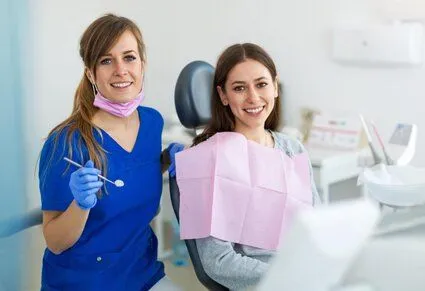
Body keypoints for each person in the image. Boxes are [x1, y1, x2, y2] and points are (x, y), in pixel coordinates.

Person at [38, 14, 180, 291]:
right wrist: (80, 205)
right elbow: (55, 242)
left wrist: (166, 159)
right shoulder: (65, 143)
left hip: (142, 272)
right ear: (91, 73)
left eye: (129, 57)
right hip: (84, 282)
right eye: (106, 60)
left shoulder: (152, 122)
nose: (120, 70)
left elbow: (132, 171)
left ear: (143, 64)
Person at [168, 43, 321, 291]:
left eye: (261, 84)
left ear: (275, 87)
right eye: (239, 88)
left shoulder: (293, 149)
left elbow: (316, 227)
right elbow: (218, 262)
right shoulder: (209, 161)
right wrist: (290, 277)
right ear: (223, 95)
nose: (253, 97)